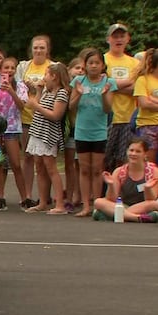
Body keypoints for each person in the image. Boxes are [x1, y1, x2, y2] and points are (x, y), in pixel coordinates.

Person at [69, 48, 118, 218]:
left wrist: (104, 95)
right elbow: (71, 106)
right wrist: (78, 94)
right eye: (90, 63)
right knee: (84, 169)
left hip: (99, 131)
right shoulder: (78, 81)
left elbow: (107, 109)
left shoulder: (108, 82)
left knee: (97, 169)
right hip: (82, 130)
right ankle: (85, 206)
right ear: (85, 65)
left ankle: (98, 205)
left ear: (102, 65)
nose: (94, 66)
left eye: (97, 63)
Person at [23, 62, 70, 215]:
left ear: (54, 76)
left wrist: (36, 106)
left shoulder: (61, 93)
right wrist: (38, 91)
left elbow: (56, 115)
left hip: (48, 133)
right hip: (37, 131)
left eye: (46, 75)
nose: (44, 78)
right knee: (39, 167)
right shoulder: (46, 92)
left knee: (51, 167)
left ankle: (60, 204)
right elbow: (35, 105)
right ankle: (43, 202)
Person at [0, 56, 29, 210]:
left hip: (12, 128)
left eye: (12, 68)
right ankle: (0, 197)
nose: (9, 71)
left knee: (16, 164)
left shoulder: (20, 86)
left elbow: (21, 107)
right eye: (6, 68)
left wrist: (11, 91)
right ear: (1, 70)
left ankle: (25, 197)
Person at [16, 35, 54, 210]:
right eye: (36, 47)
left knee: (45, 160)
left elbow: (56, 89)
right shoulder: (23, 67)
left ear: (48, 50)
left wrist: (39, 86)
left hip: (45, 118)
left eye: (42, 47)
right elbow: (18, 87)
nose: (38, 51)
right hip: (26, 116)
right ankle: (28, 195)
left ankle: (45, 196)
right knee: (28, 157)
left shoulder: (53, 66)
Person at [92, 137, 158, 223]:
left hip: (144, 206)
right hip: (122, 205)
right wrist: (111, 185)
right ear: (127, 151)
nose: (133, 154)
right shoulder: (119, 171)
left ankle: (114, 215)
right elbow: (112, 199)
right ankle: (136, 218)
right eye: (131, 150)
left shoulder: (154, 171)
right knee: (98, 202)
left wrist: (147, 188)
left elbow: (151, 199)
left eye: (138, 151)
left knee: (154, 204)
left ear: (145, 154)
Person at [103, 23, 140, 172]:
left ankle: (119, 186)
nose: (118, 39)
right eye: (115, 36)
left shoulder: (135, 63)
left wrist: (112, 86)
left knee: (123, 160)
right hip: (107, 118)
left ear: (128, 39)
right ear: (108, 39)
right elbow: (101, 85)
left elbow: (137, 88)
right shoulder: (102, 60)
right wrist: (127, 83)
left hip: (128, 118)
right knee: (104, 159)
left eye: (122, 36)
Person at [64, 58, 85, 211]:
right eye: (77, 68)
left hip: (84, 130)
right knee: (69, 165)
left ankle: (80, 196)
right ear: (69, 69)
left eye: (83, 69)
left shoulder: (88, 86)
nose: (80, 71)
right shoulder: (66, 88)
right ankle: (69, 198)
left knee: (81, 165)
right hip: (70, 130)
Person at [133, 48, 158, 164]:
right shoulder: (143, 80)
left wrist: (153, 100)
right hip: (147, 125)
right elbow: (144, 103)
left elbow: (149, 102)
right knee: (149, 163)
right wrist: (149, 102)